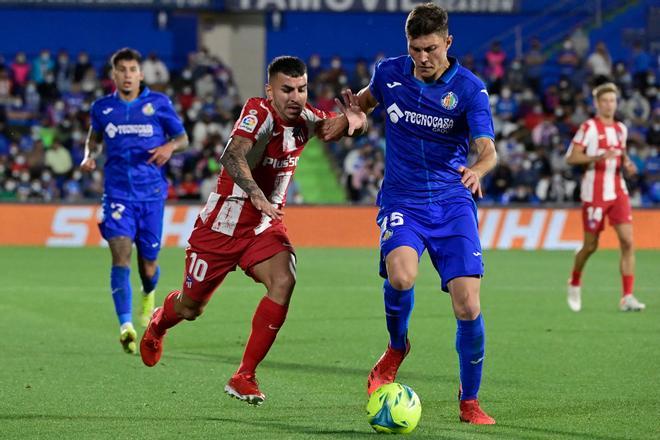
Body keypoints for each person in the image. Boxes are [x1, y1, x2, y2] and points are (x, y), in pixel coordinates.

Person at [139, 56, 366, 405]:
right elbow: (232, 155)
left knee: (284, 280)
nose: (295, 97)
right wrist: (257, 195)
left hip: (263, 226)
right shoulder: (258, 113)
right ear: (270, 91)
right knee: (190, 308)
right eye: (286, 89)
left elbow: (334, 127)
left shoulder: (305, 117)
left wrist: (356, 122)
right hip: (222, 226)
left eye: (301, 89)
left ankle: (244, 374)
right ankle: (158, 324)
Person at [318, 3, 497, 425]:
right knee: (401, 276)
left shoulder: (469, 89)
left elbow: (488, 149)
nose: (422, 58)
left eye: (431, 48)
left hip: (452, 203)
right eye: (415, 48)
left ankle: (469, 400)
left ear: (448, 43)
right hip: (402, 199)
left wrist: (477, 169)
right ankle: (397, 347)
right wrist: (352, 120)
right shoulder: (389, 73)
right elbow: (362, 106)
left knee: (468, 305)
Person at [80, 48, 188, 354]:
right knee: (120, 257)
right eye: (122, 70)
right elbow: (94, 139)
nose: (127, 75)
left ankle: (148, 293)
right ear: (114, 75)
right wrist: (90, 157)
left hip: (151, 195)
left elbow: (183, 139)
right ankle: (125, 325)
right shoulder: (102, 108)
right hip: (116, 195)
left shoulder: (159, 104)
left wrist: (169, 147)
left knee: (149, 265)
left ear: (141, 74)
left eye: (132, 69)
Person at [565, 82, 645, 312]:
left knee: (628, 242)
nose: (609, 104)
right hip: (594, 193)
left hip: (618, 191)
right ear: (597, 104)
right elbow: (571, 157)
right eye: (605, 101)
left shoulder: (621, 129)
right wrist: (598, 156)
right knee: (591, 246)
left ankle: (627, 296)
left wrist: (627, 163)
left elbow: (620, 153)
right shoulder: (589, 127)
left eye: (612, 100)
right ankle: (575, 279)